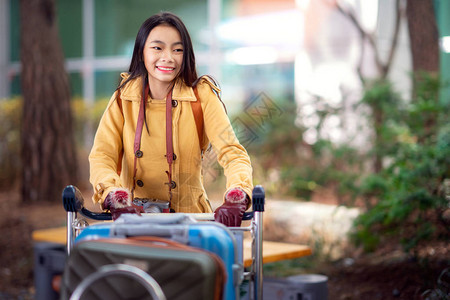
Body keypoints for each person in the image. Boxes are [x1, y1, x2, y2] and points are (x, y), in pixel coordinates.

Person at [89, 12, 253, 226]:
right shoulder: (123, 98)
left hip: (192, 222)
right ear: (141, 52)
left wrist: (237, 195)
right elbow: (102, 156)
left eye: (177, 49)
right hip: (132, 221)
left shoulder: (201, 96)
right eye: (157, 48)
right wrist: (112, 194)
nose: (168, 57)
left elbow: (233, 154)